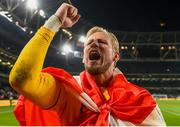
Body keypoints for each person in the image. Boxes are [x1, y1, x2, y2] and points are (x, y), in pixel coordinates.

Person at [9, 3, 166, 126]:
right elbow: (22, 80)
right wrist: (55, 21)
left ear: (115, 56)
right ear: (83, 58)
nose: (94, 44)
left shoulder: (140, 100)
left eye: (102, 42)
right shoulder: (68, 91)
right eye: (89, 43)